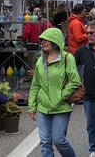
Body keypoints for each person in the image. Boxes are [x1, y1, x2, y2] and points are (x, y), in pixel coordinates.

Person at [28, 28, 80, 157]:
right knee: (45, 142)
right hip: (43, 107)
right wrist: (31, 106)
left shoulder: (68, 58)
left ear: (55, 41)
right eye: (42, 40)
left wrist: (61, 96)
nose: (43, 42)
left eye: (47, 40)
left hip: (61, 106)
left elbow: (75, 81)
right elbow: (35, 84)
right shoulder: (41, 60)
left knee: (58, 140)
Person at [74, 20, 95, 157]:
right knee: (91, 124)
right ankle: (94, 148)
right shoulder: (82, 50)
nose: (89, 36)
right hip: (88, 92)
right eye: (87, 33)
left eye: (92, 33)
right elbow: (71, 65)